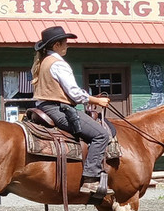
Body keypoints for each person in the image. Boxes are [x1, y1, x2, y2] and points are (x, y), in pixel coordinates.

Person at [30, 25, 112, 195]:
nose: (67, 46)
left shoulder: (44, 62)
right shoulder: (59, 64)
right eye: (65, 43)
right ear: (56, 46)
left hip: (44, 108)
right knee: (101, 135)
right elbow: (74, 93)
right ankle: (90, 179)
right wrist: (97, 100)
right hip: (58, 109)